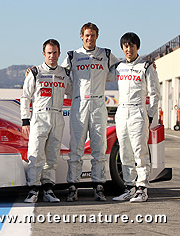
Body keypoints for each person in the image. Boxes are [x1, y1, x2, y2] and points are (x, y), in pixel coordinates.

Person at [61, 22, 119, 202]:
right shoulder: (73, 55)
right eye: (87, 35)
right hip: (79, 104)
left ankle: (99, 186)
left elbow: (121, 70)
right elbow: (60, 75)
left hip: (98, 104)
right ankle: (73, 186)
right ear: (81, 36)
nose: (89, 38)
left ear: (97, 36)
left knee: (99, 148)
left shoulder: (106, 54)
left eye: (93, 35)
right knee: (76, 148)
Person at [21, 39, 72, 203]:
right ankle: (33, 189)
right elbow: (25, 97)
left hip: (57, 116)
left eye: (55, 52)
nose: (52, 56)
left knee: (52, 155)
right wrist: (25, 120)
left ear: (59, 53)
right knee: (35, 153)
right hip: (39, 117)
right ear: (44, 54)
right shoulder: (35, 72)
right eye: (49, 53)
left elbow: (73, 91)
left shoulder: (64, 73)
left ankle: (48, 189)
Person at [111, 32, 160, 202]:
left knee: (140, 151)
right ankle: (129, 187)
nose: (128, 49)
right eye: (125, 46)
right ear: (122, 48)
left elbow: (155, 94)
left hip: (139, 112)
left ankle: (142, 188)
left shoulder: (146, 67)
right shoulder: (118, 67)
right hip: (122, 112)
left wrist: (150, 115)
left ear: (137, 47)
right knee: (125, 152)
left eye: (131, 45)